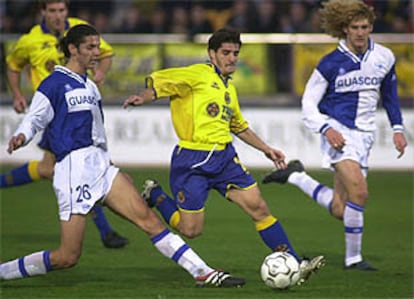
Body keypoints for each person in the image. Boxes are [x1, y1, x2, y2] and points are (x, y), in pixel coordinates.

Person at [0, 24, 245, 288]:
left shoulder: (90, 85)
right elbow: (35, 118)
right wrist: (22, 136)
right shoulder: (55, 82)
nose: (97, 52)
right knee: (67, 257)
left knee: (150, 222)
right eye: (90, 47)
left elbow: (96, 132)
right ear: (73, 49)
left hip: (100, 165)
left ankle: (202, 271)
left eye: (98, 46)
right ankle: (3, 272)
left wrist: (108, 164)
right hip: (74, 169)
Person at [122, 27, 325, 286]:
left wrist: (266, 149)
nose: (232, 58)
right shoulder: (197, 74)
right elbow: (160, 82)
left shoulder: (229, 88)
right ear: (212, 54)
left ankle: (295, 264)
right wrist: (144, 96)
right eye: (226, 53)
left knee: (259, 207)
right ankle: (157, 195)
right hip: (192, 161)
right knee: (190, 230)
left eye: (235, 53)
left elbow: (238, 126)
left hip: (225, 159)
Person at [262, 0, 408, 271]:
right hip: (338, 133)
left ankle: (295, 176)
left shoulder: (384, 57)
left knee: (343, 208)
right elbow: (308, 103)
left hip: (365, 136)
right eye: (355, 27)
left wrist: (398, 128)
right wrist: (327, 129)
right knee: (360, 193)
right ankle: (353, 260)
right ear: (345, 29)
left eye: (365, 27)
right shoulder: (330, 63)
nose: (361, 32)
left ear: (371, 27)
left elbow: (389, 95)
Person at [1, 0, 128, 248]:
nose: (58, 16)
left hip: (76, 108)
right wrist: (17, 94)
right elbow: (13, 65)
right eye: (53, 11)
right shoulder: (30, 40)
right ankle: (106, 231)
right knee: (67, 170)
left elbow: (107, 53)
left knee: (52, 169)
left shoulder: (80, 30)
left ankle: (106, 231)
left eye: (62, 10)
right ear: (43, 12)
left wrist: (101, 72)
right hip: (54, 112)